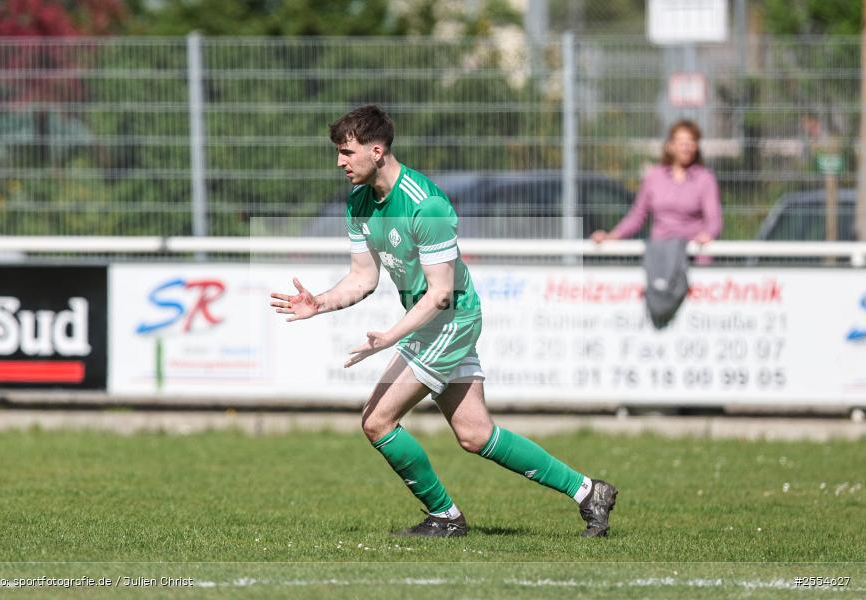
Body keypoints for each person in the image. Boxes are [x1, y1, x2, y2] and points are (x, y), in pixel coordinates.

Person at [270, 105, 617, 538]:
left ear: (376, 151)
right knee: (475, 434)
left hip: (450, 319)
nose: (339, 162)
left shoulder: (426, 204)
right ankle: (589, 492)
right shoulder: (359, 200)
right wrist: (318, 303)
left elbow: (440, 294)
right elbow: (363, 276)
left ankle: (446, 517)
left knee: (377, 420)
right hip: (434, 320)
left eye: (346, 152)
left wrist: (390, 338)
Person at [591, 119, 722, 249]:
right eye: (682, 142)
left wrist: (707, 235)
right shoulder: (654, 176)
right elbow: (637, 215)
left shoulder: (705, 178)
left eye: (691, 141)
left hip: (693, 251)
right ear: (671, 145)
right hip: (660, 252)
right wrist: (612, 236)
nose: (686, 147)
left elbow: (714, 219)